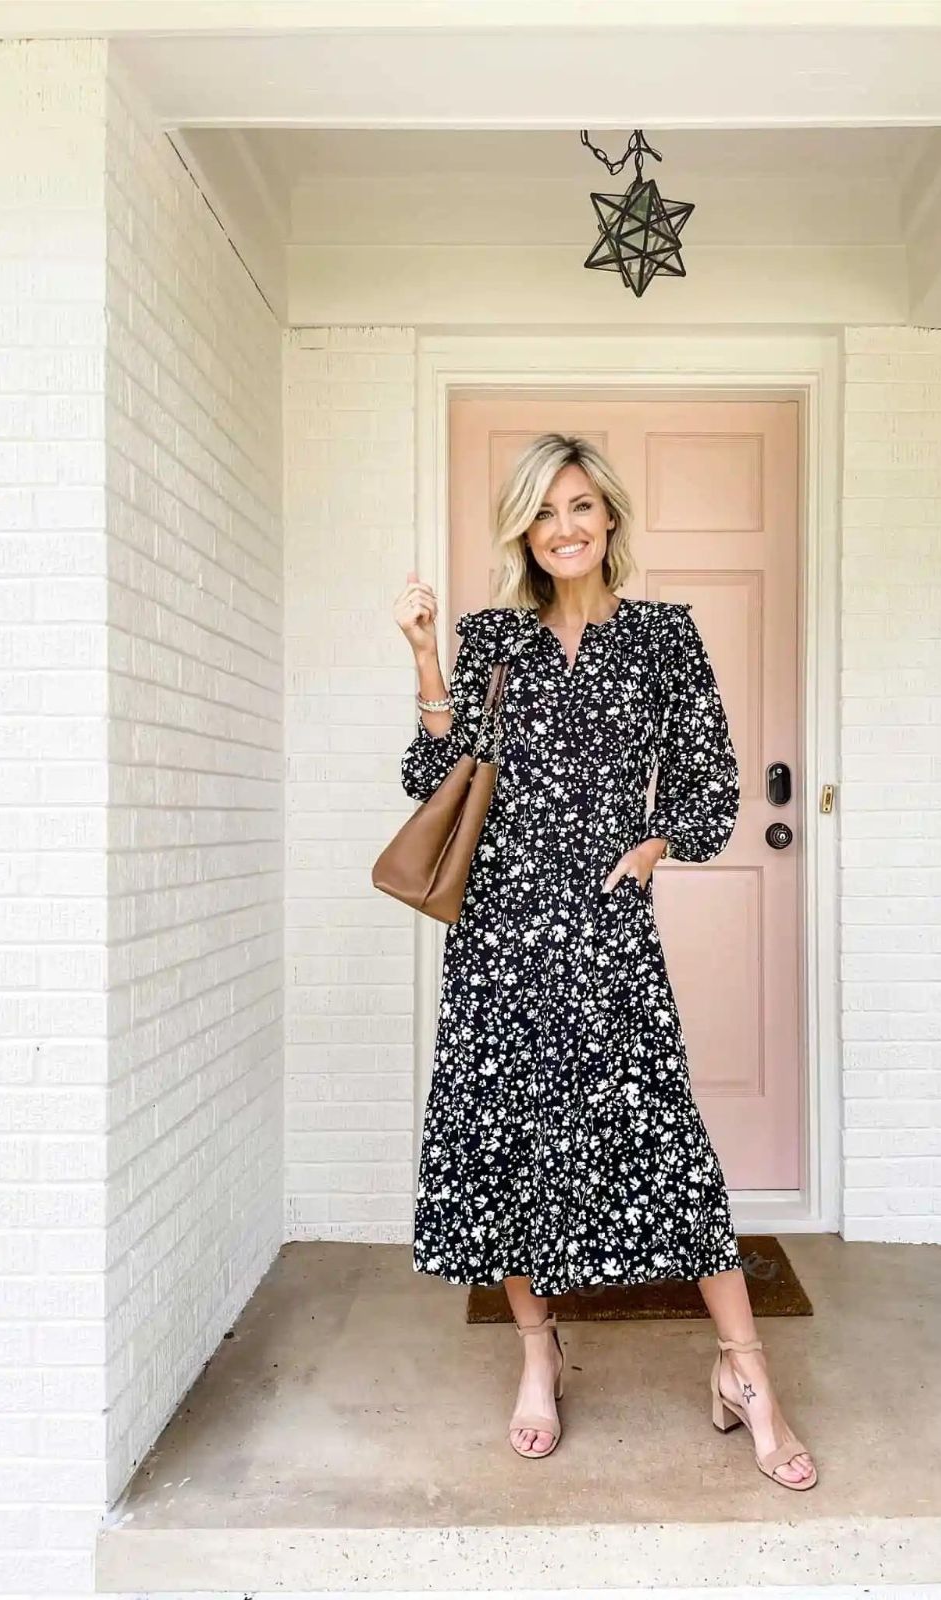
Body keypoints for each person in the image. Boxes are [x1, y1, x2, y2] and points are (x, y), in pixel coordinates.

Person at [393, 432, 816, 1489]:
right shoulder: (495, 638)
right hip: (501, 934)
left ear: (610, 519)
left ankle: (746, 1373)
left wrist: (657, 841)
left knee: (663, 1140)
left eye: (581, 506)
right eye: (544, 512)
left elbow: (712, 780)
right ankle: (539, 1355)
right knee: (513, 1141)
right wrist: (426, 655)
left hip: (608, 928)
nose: (565, 527)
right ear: (525, 533)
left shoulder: (664, 639)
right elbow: (430, 773)